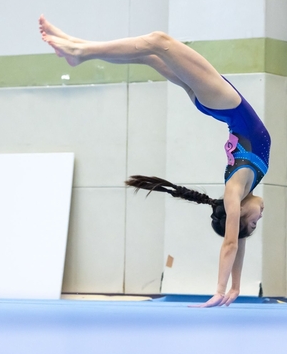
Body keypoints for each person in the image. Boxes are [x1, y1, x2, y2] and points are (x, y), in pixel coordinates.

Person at [39, 15, 270, 307]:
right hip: (217, 104)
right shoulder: (244, 190)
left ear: (239, 214)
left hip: (224, 103)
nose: (260, 216)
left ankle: (79, 51)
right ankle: (77, 48)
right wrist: (236, 286)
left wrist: (220, 289)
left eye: (254, 222)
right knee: (150, 56)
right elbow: (239, 241)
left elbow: (231, 243)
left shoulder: (235, 191)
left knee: (159, 42)